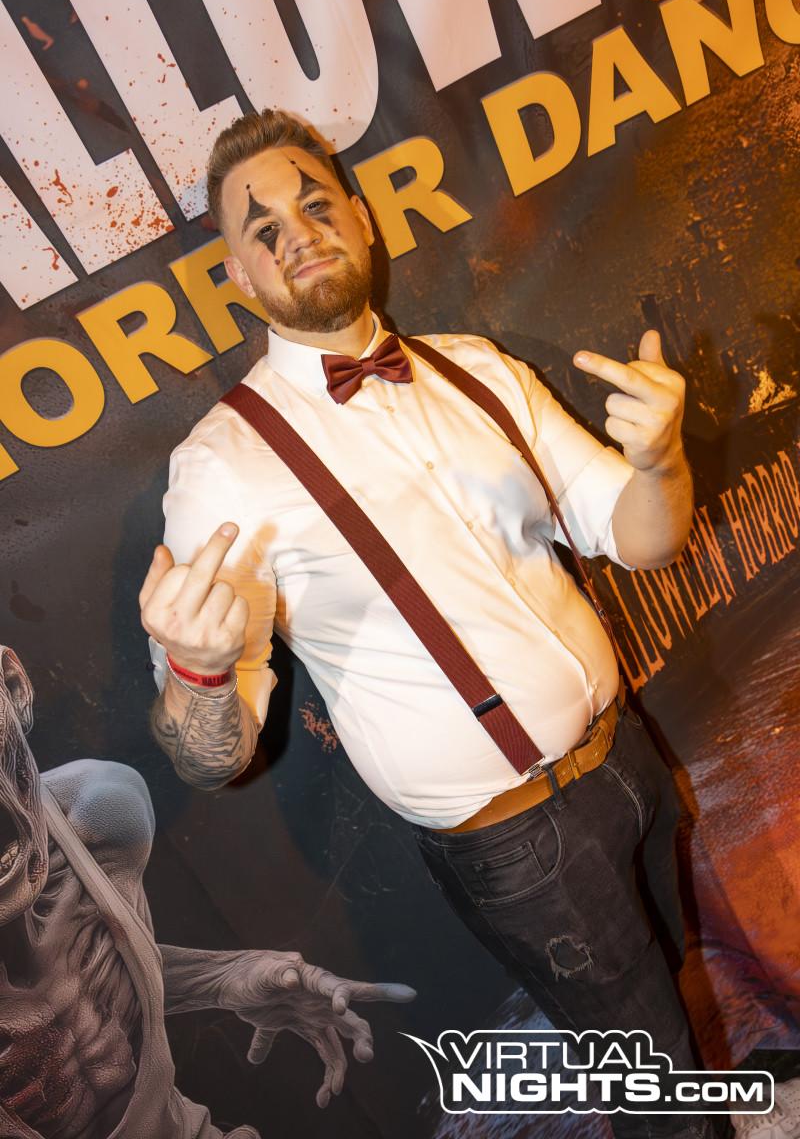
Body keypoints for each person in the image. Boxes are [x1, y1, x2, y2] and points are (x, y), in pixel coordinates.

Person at [139, 108, 723, 1139]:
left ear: (361, 219)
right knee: (661, 1102)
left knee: (677, 992)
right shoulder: (222, 466)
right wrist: (196, 673)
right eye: (263, 229)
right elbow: (209, 757)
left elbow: (640, 541)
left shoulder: (474, 368)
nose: (297, 234)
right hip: (518, 847)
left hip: (627, 759)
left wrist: (659, 463)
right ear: (238, 276)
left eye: (315, 205)